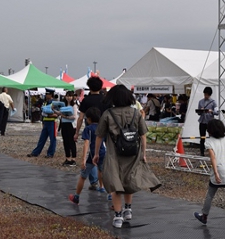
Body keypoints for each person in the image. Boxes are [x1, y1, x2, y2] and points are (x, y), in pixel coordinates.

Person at [93, 85, 161, 229]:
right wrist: (144, 153)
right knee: (129, 179)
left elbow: (99, 135)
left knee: (115, 182)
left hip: (113, 153)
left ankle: (118, 216)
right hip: (133, 152)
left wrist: (96, 153)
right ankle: (128, 209)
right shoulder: (136, 113)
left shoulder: (108, 114)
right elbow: (143, 134)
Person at [74, 76, 109, 189]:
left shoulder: (86, 100)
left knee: (91, 152)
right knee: (104, 152)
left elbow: (80, 117)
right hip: (104, 129)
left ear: (89, 87)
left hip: (90, 129)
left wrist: (77, 132)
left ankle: (93, 181)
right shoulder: (105, 99)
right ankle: (104, 184)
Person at [68, 107, 105, 204]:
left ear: (88, 119)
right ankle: (107, 192)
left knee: (83, 176)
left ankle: (76, 196)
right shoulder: (103, 128)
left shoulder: (88, 129)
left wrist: (83, 159)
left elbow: (86, 144)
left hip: (92, 156)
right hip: (103, 153)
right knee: (104, 173)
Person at [27, 89, 59, 158]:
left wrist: (48, 115)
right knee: (42, 139)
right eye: (46, 94)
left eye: (48, 94)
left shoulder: (54, 103)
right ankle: (36, 152)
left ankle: (50, 153)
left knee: (52, 139)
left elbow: (57, 114)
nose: (47, 95)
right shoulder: (45, 102)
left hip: (52, 122)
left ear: (51, 95)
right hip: (46, 122)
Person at [59, 90, 78, 166]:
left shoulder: (74, 106)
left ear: (72, 97)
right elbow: (60, 113)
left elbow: (74, 116)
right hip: (64, 124)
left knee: (71, 142)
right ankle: (67, 158)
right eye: (67, 96)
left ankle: (73, 159)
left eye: (70, 96)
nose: (68, 98)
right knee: (65, 141)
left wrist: (66, 116)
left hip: (71, 125)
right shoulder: (63, 105)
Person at [196, 87, 217, 156]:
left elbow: (217, 112)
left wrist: (211, 111)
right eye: (205, 94)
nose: (205, 96)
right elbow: (198, 113)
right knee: (202, 137)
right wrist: (200, 110)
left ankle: (213, 151)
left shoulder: (213, 102)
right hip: (202, 121)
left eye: (207, 95)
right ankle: (202, 152)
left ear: (210, 95)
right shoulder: (200, 101)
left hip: (210, 121)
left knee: (212, 137)